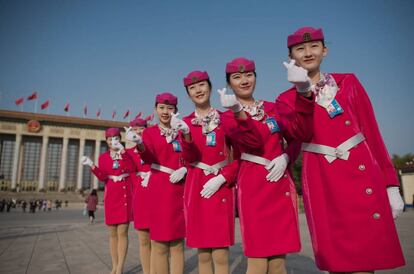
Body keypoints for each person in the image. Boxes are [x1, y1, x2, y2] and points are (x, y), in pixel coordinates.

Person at [277, 26, 406, 273]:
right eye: (299, 49)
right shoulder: (285, 99)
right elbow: (300, 134)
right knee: (337, 260)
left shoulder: (348, 82)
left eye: (313, 46)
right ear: (290, 57)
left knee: (367, 260)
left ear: (324, 50)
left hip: (360, 172)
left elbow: (372, 133)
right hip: (322, 177)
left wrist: (390, 184)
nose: (307, 53)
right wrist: (303, 92)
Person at [219, 57, 314, 274]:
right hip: (253, 187)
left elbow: (296, 137)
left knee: (279, 261)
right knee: (258, 261)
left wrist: (287, 157)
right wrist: (237, 112)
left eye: (249, 75)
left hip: (279, 185)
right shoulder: (226, 116)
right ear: (229, 83)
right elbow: (252, 142)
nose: (244, 80)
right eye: (237, 77)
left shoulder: (274, 108)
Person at [169, 70, 254, 274]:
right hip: (196, 187)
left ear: (209, 87)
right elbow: (188, 159)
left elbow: (242, 155)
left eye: (201, 85)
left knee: (220, 253)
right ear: (188, 94)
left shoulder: (226, 117)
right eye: (192, 88)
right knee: (203, 254)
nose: (198, 90)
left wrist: (224, 176)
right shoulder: (185, 123)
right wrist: (186, 134)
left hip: (220, 187)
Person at [133, 93, 186, 274]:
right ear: (155, 109)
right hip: (159, 190)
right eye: (162, 108)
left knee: (178, 244)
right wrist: (140, 145)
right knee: (160, 244)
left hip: (179, 189)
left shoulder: (181, 131)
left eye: (170, 108)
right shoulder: (150, 132)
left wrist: (185, 169)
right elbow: (148, 157)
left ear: (175, 110)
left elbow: (191, 155)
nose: (165, 112)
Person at [81, 127, 134, 274]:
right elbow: (103, 177)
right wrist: (91, 165)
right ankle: (114, 265)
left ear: (120, 139)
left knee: (122, 232)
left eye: (115, 138)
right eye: (110, 139)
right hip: (111, 195)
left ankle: (120, 267)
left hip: (124, 194)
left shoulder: (126, 153)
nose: (112, 141)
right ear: (106, 141)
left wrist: (123, 152)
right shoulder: (103, 157)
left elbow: (131, 168)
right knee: (112, 233)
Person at [125, 117, 153, 274]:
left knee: (157, 241)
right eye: (134, 129)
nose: (137, 132)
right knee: (143, 240)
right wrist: (127, 147)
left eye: (140, 129)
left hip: (156, 195)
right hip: (140, 197)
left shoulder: (152, 147)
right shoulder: (127, 153)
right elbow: (129, 172)